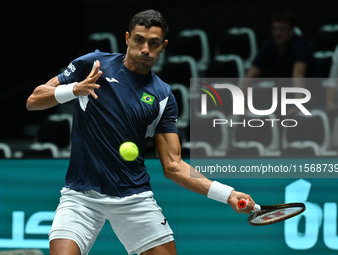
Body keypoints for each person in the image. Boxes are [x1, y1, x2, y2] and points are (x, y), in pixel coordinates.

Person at [26, 9, 255, 255]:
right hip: (81, 196)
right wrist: (73, 90)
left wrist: (228, 194)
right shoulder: (93, 65)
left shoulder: (163, 96)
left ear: (163, 46)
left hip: (133, 198)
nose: (145, 49)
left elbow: (174, 165)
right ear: (127, 38)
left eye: (153, 43)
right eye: (139, 40)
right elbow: (34, 100)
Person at [245, 11, 314, 80]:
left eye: (283, 29)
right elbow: (251, 73)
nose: (278, 33)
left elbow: (298, 77)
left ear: (291, 30)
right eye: (275, 29)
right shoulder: (269, 45)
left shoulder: (301, 45)